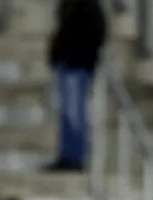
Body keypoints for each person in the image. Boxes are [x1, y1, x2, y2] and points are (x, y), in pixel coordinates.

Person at [47, 0, 107, 171]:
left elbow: (96, 34)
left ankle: (74, 157)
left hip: (76, 66)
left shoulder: (87, 7)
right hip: (68, 65)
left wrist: (80, 56)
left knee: (74, 114)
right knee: (67, 113)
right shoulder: (73, 6)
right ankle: (67, 155)